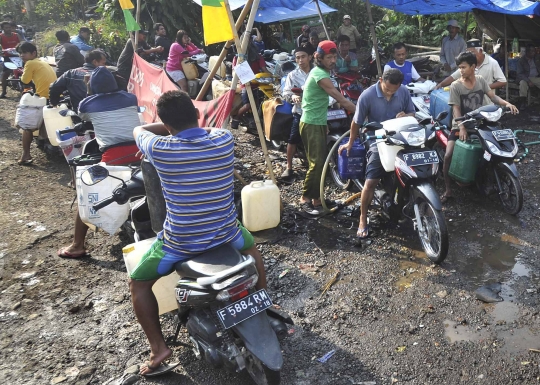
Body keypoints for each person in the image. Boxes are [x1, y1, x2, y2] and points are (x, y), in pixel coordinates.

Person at [130, 90, 267, 376]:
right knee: (253, 251)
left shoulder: (160, 149)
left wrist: (165, 126)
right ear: (196, 115)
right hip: (226, 231)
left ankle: (159, 348)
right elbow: (204, 128)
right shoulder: (223, 138)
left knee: (139, 283)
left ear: (168, 125)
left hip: (181, 241)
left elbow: (139, 129)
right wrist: (181, 122)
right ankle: (262, 299)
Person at [57, 66, 142, 258]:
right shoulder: (130, 98)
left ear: (92, 86)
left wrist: (89, 90)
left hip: (113, 157)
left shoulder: (87, 104)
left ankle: (77, 245)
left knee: (86, 195)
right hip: (140, 153)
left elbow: (84, 118)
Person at [339, 69, 415, 239]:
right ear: (381, 80)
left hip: (397, 134)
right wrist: (350, 143)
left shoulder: (402, 92)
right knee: (371, 180)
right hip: (375, 136)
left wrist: (405, 115)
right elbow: (356, 122)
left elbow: (412, 113)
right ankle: (363, 218)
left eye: (393, 90)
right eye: (387, 89)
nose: (390, 93)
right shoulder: (367, 95)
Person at [441, 52, 518, 202]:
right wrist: (461, 127)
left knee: (492, 148)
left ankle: (487, 178)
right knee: (448, 154)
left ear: (473, 67)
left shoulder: (481, 80)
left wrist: (507, 103)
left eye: (463, 67)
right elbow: (456, 109)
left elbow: (493, 96)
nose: (461, 70)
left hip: (479, 122)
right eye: (459, 67)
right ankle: (448, 189)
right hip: (460, 124)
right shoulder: (455, 86)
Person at [299, 41, 355, 215]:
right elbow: (341, 100)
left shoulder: (323, 72)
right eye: (329, 57)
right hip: (311, 123)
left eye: (334, 57)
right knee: (316, 164)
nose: (332, 60)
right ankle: (305, 199)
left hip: (318, 122)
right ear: (319, 57)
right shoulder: (319, 74)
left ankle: (317, 199)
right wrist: (363, 112)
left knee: (321, 162)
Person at [16, 42, 57, 165]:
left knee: (27, 126)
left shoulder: (30, 63)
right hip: (54, 97)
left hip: (43, 97)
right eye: (20, 53)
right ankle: (45, 142)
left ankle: (25, 155)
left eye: (25, 52)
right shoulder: (42, 62)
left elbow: (25, 80)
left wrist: (21, 74)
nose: (22, 55)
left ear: (33, 53)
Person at [436, 39, 506, 104]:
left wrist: (484, 88)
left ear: (480, 51)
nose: (470, 55)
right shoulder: (468, 62)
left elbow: (502, 81)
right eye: (469, 53)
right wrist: (440, 85)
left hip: (486, 104)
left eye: (472, 53)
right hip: (469, 105)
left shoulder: (492, 63)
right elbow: (453, 76)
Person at [281, 46, 314, 178]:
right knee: (293, 138)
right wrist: (293, 96)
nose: (300, 60)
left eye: (303, 56)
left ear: (310, 57)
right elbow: (286, 92)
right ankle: (289, 166)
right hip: (300, 111)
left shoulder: (317, 72)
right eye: (297, 58)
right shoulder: (292, 75)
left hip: (318, 111)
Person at [230, 37, 268, 129]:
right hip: (246, 85)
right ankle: (236, 118)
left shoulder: (258, 56)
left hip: (258, 83)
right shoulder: (238, 58)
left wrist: (272, 77)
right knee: (247, 105)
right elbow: (234, 72)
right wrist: (240, 75)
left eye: (249, 41)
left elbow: (264, 70)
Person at [0, 20, 21, 98]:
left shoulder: (17, 35)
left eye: (9, 27)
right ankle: (4, 91)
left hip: (19, 56)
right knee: (6, 73)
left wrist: (19, 47)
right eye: (6, 28)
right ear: (3, 28)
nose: (8, 29)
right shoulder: (1, 36)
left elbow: (22, 43)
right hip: (8, 57)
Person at [516, 44, 540, 110]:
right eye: (532, 51)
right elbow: (520, 74)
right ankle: (522, 102)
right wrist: (528, 81)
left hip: (535, 77)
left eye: (534, 51)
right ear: (528, 52)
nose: (534, 53)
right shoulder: (521, 61)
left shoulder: (536, 58)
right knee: (522, 83)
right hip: (525, 78)